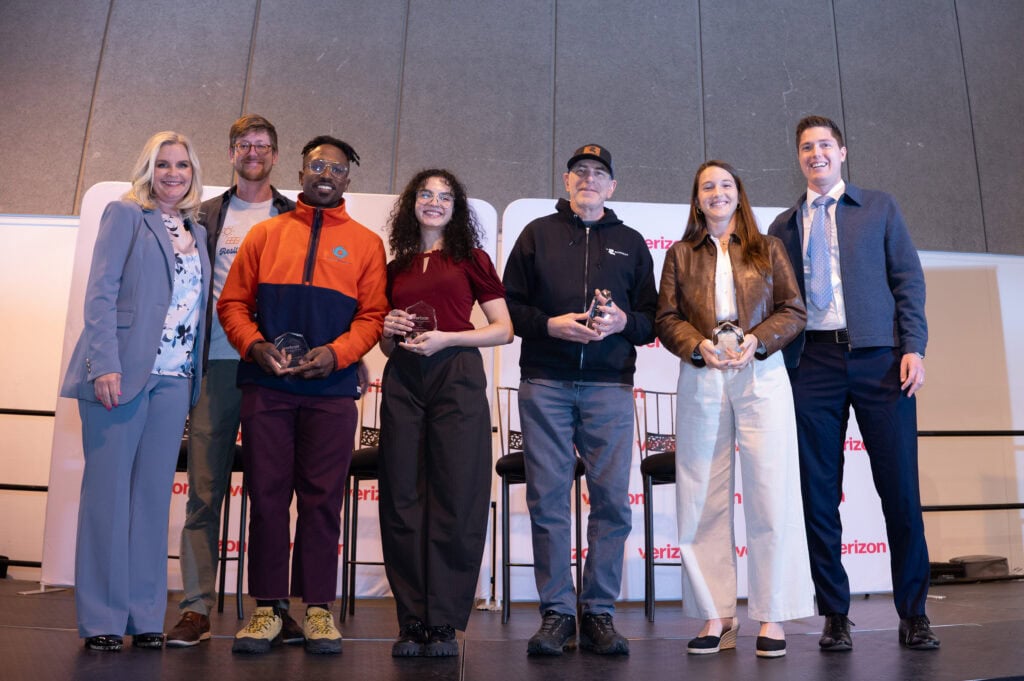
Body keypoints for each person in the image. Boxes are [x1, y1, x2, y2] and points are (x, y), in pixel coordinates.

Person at [768, 115, 938, 651]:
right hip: (810, 365)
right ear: (798, 157)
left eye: (824, 145)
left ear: (841, 152)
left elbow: (908, 280)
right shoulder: (783, 226)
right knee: (818, 495)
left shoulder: (880, 207)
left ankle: (913, 612)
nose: (815, 154)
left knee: (900, 491)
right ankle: (835, 615)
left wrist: (913, 346)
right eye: (805, 148)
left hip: (880, 361)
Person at [217, 135, 387, 655]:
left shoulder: (364, 243)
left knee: (322, 502)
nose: (325, 174)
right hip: (267, 387)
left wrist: (338, 355)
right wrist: (254, 345)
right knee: (266, 497)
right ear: (303, 170)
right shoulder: (265, 234)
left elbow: (373, 316)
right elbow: (233, 305)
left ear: (347, 181)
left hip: (331, 392)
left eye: (336, 168)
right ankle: (268, 609)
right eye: (317, 165)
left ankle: (317, 609)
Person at [503, 144, 658, 656]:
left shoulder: (632, 243)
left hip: (610, 387)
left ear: (612, 187)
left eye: (599, 174)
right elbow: (509, 309)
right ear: (567, 182)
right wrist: (549, 324)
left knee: (612, 503)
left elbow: (650, 319)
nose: (589, 179)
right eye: (580, 172)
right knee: (548, 501)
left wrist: (621, 323)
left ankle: (599, 611)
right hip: (545, 383)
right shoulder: (535, 236)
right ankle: (556, 612)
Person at [655, 160, 812, 658]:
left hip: (761, 375)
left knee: (772, 491)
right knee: (701, 496)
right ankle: (717, 615)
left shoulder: (769, 248)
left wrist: (758, 342)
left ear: (738, 194)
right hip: (702, 376)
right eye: (707, 187)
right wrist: (698, 345)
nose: (717, 193)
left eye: (725, 185)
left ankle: (772, 617)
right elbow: (666, 318)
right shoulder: (680, 255)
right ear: (697, 199)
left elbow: (794, 310)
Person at [60, 131, 211, 651]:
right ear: (147, 169)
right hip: (119, 376)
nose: (173, 174)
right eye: (163, 164)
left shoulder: (198, 229)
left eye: (183, 166)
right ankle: (102, 618)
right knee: (107, 499)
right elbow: (99, 292)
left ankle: (145, 617)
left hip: (174, 380)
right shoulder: (125, 215)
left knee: (151, 502)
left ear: (194, 173)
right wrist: (105, 363)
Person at [167, 114, 304, 647]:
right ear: (230, 153)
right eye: (244, 144)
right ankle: (197, 609)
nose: (253, 152)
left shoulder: (296, 216)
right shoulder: (202, 215)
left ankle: (271, 606)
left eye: (263, 145)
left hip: (276, 370)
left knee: (273, 495)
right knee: (204, 492)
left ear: (275, 154)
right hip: (218, 365)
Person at [377, 169, 513, 657]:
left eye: (445, 196)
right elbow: (388, 346)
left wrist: (450, 336)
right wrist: (388, 332)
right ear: (412, 203)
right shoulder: (395, 267)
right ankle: (411, 620)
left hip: (456, 374)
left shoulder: (471, 259)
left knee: (457, 497)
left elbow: (503, 329)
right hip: (404, 380)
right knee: (402, 498)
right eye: (426, 194)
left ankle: (443, 622)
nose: (434, 202)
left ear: (456, 208)